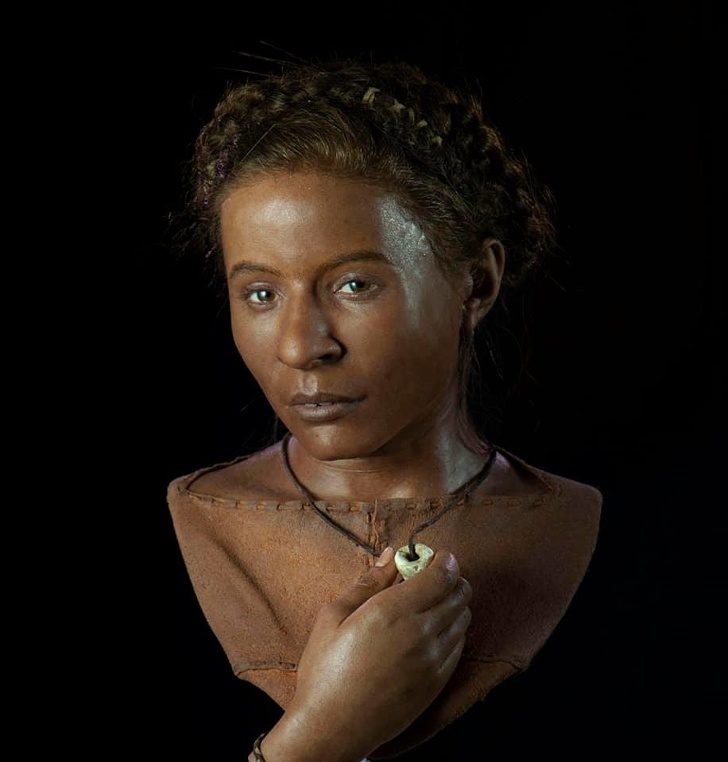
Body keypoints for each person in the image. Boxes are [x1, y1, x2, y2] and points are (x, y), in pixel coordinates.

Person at [165, 54, 603, 761]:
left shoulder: (632, 544)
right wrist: (317, 740)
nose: (301, 347)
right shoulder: (178, 531)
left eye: (354, 285)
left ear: (476, 283)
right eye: (261, 294)